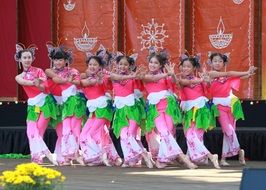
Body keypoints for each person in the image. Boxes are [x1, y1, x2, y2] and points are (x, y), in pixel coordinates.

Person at [141, 48, 197, 169]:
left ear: (161, 65)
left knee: (170, 132)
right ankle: (183, 158)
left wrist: (172, 75)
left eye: (156, 63)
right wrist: (167, 73)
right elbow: (152, 79)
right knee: (164, 132)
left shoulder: (166, 77)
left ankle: (162, 160)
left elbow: (176, 84)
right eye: (151, 62)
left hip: (168, 107)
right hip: (155, 110)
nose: (152, 65)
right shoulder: (145, 76)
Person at [207, 52, 257, 166]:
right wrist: (246, 72)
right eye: (215, 61)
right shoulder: (211, 73)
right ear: (211, 63)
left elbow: (241, 76)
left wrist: (249, 73)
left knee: (229, 132)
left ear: (224, 63)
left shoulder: (228, 76)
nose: (218, 63)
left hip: (231, 104)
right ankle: (239, 151)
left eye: (220, 61)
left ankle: (223, 158)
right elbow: (230, 73)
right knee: (228, 130)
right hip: (218, 105)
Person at [14, 43, 57, 165]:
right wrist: (34, 82)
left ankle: (38, 157)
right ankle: (43, 155)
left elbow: (44, 87)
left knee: (39, 130)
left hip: (45, 103)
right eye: (25, 57)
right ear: (20, 59)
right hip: (33, 105)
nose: (27, 60)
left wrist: (40, 85)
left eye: (29, 57)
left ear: (32, 58)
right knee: (31, 132)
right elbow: (24, 82)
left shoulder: (39, 71)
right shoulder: (19, 76)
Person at [176, 52, 220, 168]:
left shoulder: (200, 79)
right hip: (187, 110)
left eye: (188, 66)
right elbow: (185, 83)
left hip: (200, 109)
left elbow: (208, 89)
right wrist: (201, 80)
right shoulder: (181, 79)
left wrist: (207, 81)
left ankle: (209, 156)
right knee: (190, 135)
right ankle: (198, 157)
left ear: (194, 68)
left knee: (194, 135)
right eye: (184, 66)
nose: (185, 68)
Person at [110, 53, 154, 168]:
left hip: (133, 109)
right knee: (124, 135)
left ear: (130, 66)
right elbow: (118, 78)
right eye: (120, 64)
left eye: (125, 64)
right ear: (117, 65)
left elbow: (141, 85)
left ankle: (140, 156)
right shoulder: (113, 75)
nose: (122, 66)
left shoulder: (134, 77)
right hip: (121, 110)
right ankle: (132, 157)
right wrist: (133, 76)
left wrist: (139, 76)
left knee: (131, 135)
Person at [79, 49, 122, 166]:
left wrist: (129, 75)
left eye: (95, 64)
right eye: (90, 64)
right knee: (84, 136)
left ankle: (97, 157)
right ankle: (113, 157)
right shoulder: (84, 77)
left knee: (92, 134)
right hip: (93, 110)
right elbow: (80, 81)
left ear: (100, 66)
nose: (92, 67)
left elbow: (116, 77)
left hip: (103, 108)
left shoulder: (104, 75)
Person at [45, 45, 86, 165]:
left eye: (60, 59)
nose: (57, 62)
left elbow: (78, 83)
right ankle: (63, 155)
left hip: (71, 102)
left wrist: (72, 79)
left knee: (73, 129)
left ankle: (71, 154)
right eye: (55, 59)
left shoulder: (73, 71)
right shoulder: (50, 71)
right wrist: (68, 80)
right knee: (62, 132)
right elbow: (56, 80)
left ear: (66, 60)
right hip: (57, 105)